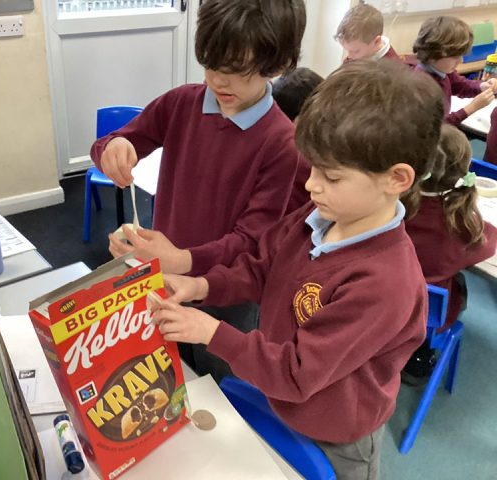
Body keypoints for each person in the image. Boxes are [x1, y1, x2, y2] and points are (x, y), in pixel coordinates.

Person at [148, 59, 444, 480]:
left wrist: (211, 332)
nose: (310, 184)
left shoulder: (385, 283)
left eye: (331, 177)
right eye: (313, 167)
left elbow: (298, 372)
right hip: (277, 396)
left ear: (396, 178)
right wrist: (199, 286)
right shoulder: (319, 215)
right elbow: (260, 270)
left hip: (334, 435)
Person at [90, 0, 308, 382]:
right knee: (165, 369)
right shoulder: (182, 102)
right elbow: (113, 142)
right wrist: (114, 148)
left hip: (227, 294)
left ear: (276, 65)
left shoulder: (281, 143)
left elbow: (252, 240)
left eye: (237, 70)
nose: (219, 81)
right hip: (166, 275)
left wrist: (182, 260)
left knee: (218, 382)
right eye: (211, 65)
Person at [402, 124, 497, 384]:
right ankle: (419, 357)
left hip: (379, 302)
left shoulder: (389, 205)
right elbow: (489, 244)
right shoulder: (462, 228)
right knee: (458, 285)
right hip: (423, 315)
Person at [412, 16, 497, 127]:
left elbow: (462, 85)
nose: (461, 61)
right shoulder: (421, 86)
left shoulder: (442, 71)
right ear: (434, 53)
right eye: (455, 56)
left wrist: (482, 86)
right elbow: (436, 126)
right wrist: (471, 108)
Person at [335, 3, 400, 62]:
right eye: (348, 50)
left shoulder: (393, 67)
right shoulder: (356, 54)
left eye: (355, 51)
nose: (349, 56)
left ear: (376, 41)